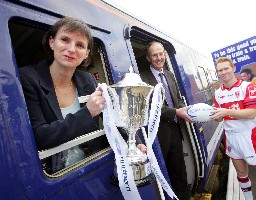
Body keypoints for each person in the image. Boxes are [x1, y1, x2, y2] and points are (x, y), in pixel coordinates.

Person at [19, 17, 146, 173]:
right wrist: (87, 112)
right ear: (51, 42)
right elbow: (40, 137)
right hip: (56, 173)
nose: (71, 49)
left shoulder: (87, 80)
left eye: (80, 45)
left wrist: (135, 142)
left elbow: (113, 117)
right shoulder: (28, 79)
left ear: (86, 53)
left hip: (91, 163)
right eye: (65, 40)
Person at [211, 57, 256, 200]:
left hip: (250, 135)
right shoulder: (217, 93)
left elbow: (252, 113)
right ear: (217, 73)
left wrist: (226, 111)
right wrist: (212, 115)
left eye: (226, 68)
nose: (223, 72)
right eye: (220, 70)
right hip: (231, 137)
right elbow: (220, 118)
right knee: (241, 174)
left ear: (233, 68)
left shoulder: (247, 86)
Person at [140, 41, 194, 200]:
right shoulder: (142, 78)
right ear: (149, 58)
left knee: (179, 171)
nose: (158, 58)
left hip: (176, 131)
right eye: (154, 55)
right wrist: (176, 112)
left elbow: (177, 99)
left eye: (160, 54)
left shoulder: (169, 75)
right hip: (157, 136)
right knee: (162, 173)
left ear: (164, 54)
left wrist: (187, 110)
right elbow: (150, 106)